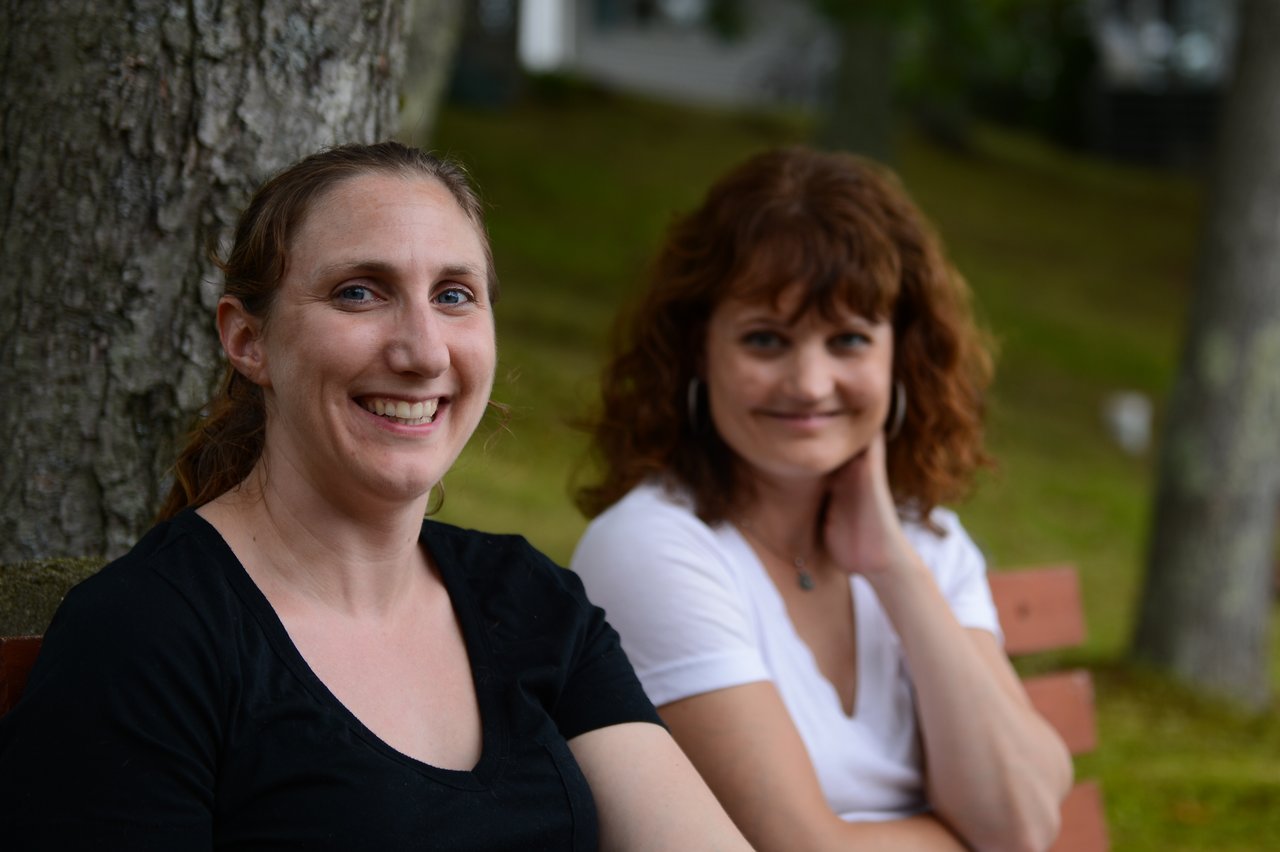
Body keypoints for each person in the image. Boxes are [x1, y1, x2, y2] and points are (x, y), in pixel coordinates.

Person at [0, 142, 751, 852]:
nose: (423, 351)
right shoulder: (148, 637)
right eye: (360, 292)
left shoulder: (531, 604)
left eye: (454, 295)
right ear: (246, 339)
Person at [571, 146, 1074, 851]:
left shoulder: (924, 543)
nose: (809, 383)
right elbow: (799, 845)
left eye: (848, 340)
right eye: (766, 340)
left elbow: (1020, 820)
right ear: (696, 351)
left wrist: (892, 570)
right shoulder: (655, 548)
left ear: (902, 354)